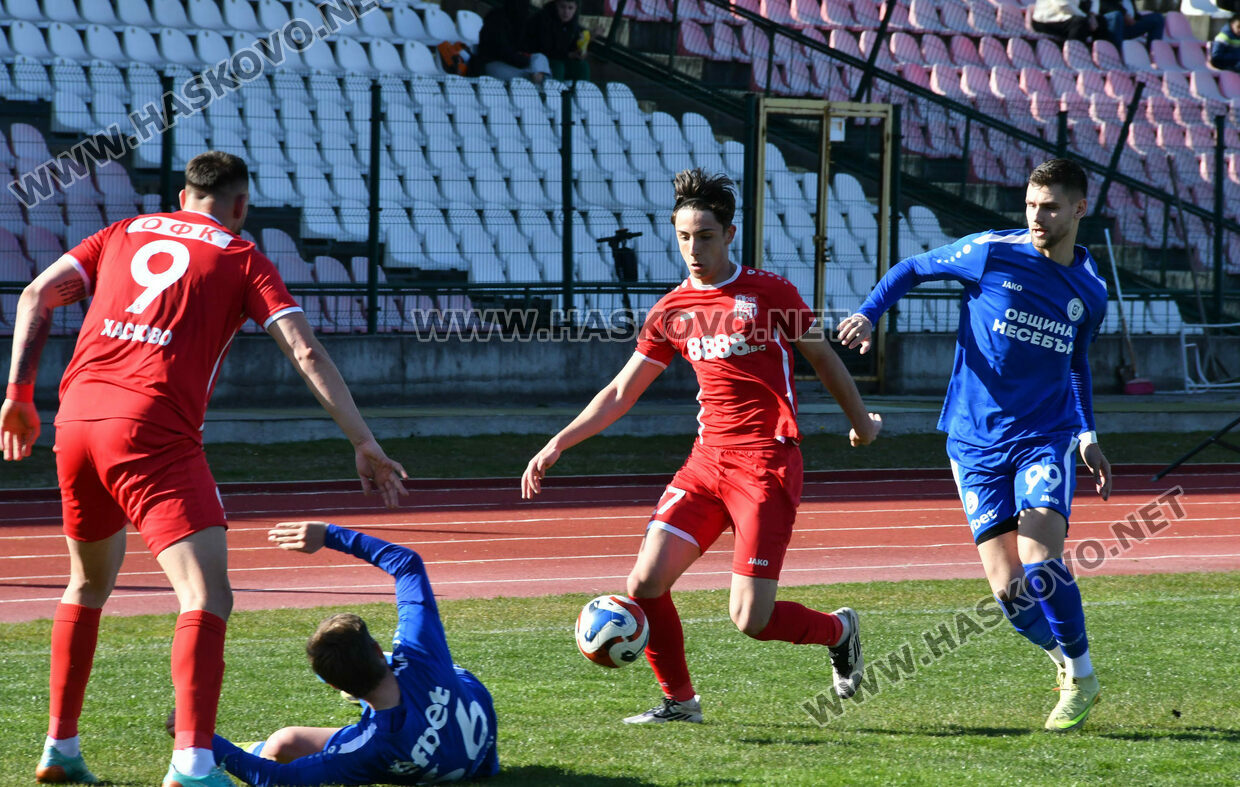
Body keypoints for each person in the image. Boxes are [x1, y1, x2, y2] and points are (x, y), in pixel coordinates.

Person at [2, 151, 409, 787]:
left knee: (86, 585)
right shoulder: (242, 256)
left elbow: (35, 294)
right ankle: (192, 765)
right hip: (152, 430)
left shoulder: (123, 231)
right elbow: (305, 350)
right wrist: (364, 441)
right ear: (241, 205)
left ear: (183, 197)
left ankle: (60, 746)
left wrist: (19, 395)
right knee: (206, 595)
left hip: (76, 421)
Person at [521, 168, 883, 724]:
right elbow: (620, 392)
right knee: (644, 582)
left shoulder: (771, 292)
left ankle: (839, 630)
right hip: (706, 462)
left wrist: (861, 423)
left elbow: (823, 358)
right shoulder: (671, 311)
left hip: (766, 463)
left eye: (706, 236)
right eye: (684, 237)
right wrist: (558, 444)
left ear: (730, 235)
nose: (694, 249)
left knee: (751, 619)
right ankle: (680, 702)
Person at [836, 158, 1112, 732]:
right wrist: (868, 313)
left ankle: (1084, 676)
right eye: (1031, 205)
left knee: (1040, 560)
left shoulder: (1090, 291)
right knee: (1009, 593)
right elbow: (913, 267)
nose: (1037, 216)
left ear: (1079, 209)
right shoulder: (990, 252)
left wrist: (1087, 435)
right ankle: (1066, 665)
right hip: (973, 440)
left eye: (1050, 207)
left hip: (1045, 436)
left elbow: (1076, 364)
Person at [193, 520, 498, 786]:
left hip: (415, 750)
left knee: (281, 744)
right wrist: (329, 535)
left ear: (332, 685)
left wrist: (204, 738)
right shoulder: (420, 656)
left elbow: (277, 778)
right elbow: (406, 563)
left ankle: (263, 741)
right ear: (377, 649)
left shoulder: (368, 748)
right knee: (286, 741)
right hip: (477, 737)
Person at [472, 0, 550, 84]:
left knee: (540, 57)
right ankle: (539, 83)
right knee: (528, 77)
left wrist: (524, 58)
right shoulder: (496, 18)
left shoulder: (522, 22)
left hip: (516, 64)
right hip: (494, 64)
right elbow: (501, 50)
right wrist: (522, 59)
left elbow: (526, 48)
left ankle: (538, 79)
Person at [528, 0, 591, 83]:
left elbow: (572, 47)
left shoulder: (574, 25)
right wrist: (569, 55)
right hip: (539, 59)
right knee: (558, 67)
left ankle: (582, 90)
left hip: (562, 58)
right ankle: (555, 90)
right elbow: (544, 49)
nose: (566, 12)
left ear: (575, 9)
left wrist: (579, 52)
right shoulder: (543, 19)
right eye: (562, 7)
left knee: (582, 67)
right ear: (556, 5)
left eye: (570, 8)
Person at [1098, 0, 1164, 49]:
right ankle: (1117, 54)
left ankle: (1153, 54)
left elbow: (1133, 16)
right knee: (1117, 16)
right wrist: (1124, 14)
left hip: (1127, 28)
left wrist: (1136, 19)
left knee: (1157, 18)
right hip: (1110, 28)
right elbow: (1104, 4)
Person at [1031, 0, 1100, 43]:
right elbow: (1064, 6)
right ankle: (1072, 54)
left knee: (1100, 21)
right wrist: (1088, 19)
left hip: (1065, 18)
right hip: (1045, 21)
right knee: (1079, 22)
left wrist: (1092, 15)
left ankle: (1098, 56)